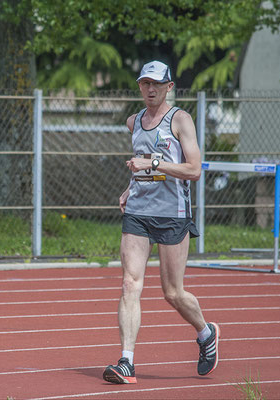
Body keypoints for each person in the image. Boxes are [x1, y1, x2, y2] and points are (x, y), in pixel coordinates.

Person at [102, 60, 219, 384]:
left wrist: (151, 162)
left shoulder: (179, 119)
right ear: (139, 86)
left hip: (172, 215)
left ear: (169, 86)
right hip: (138, 213)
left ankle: (206, 332)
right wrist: (129, 188)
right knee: (130, 283)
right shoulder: (134, 121)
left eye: (156, 84)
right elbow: (144, 170)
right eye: (144, 83)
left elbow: (194, 170)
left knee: (172, 293)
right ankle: (126, 362)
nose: (150, 89)